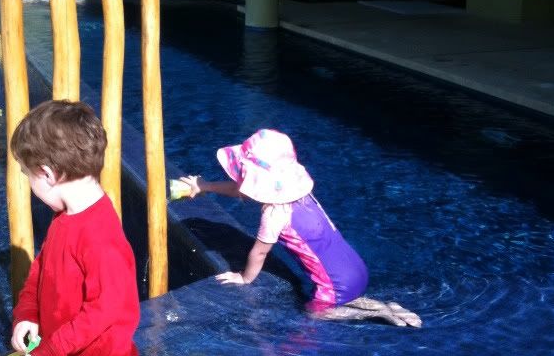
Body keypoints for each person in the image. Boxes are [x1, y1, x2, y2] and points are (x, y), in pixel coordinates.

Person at [180, 128, 421, 325]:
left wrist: (244, 278)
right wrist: (206, 186)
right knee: (344, 294)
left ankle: (377, 313)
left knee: (315, 312)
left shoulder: (274, 214)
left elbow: (260, 252)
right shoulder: (303, 197)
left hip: (334, 285)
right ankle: (383, 305)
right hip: (356, 269)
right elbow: (241, 190)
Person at [9, 100, 140, 356]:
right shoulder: (67, 217)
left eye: (26, 174)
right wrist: (28, 312)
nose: (29, 183)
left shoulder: (100, 237)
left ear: (47, 174)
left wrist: (48, 353)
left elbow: (104, 310)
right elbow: (43, 267)